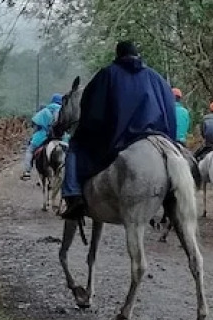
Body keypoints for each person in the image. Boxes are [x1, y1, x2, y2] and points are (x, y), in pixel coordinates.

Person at [60, 42, 178, 219]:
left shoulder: (107, 74)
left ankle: (73, 195)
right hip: (158, 135)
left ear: (117, 55)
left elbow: (93, 111)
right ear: (137, 55)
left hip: (118, 137)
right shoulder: (156, 78)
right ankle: (177, 193)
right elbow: (170, 109)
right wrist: (170, 138)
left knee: (74, 148)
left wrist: (87, 132)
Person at [21, 93, 64, 179]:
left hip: (43, 136)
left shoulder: (45, 110)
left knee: (30, 150)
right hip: (61, 137)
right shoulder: (63, 111)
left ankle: (27, 171)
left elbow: (35, 123)